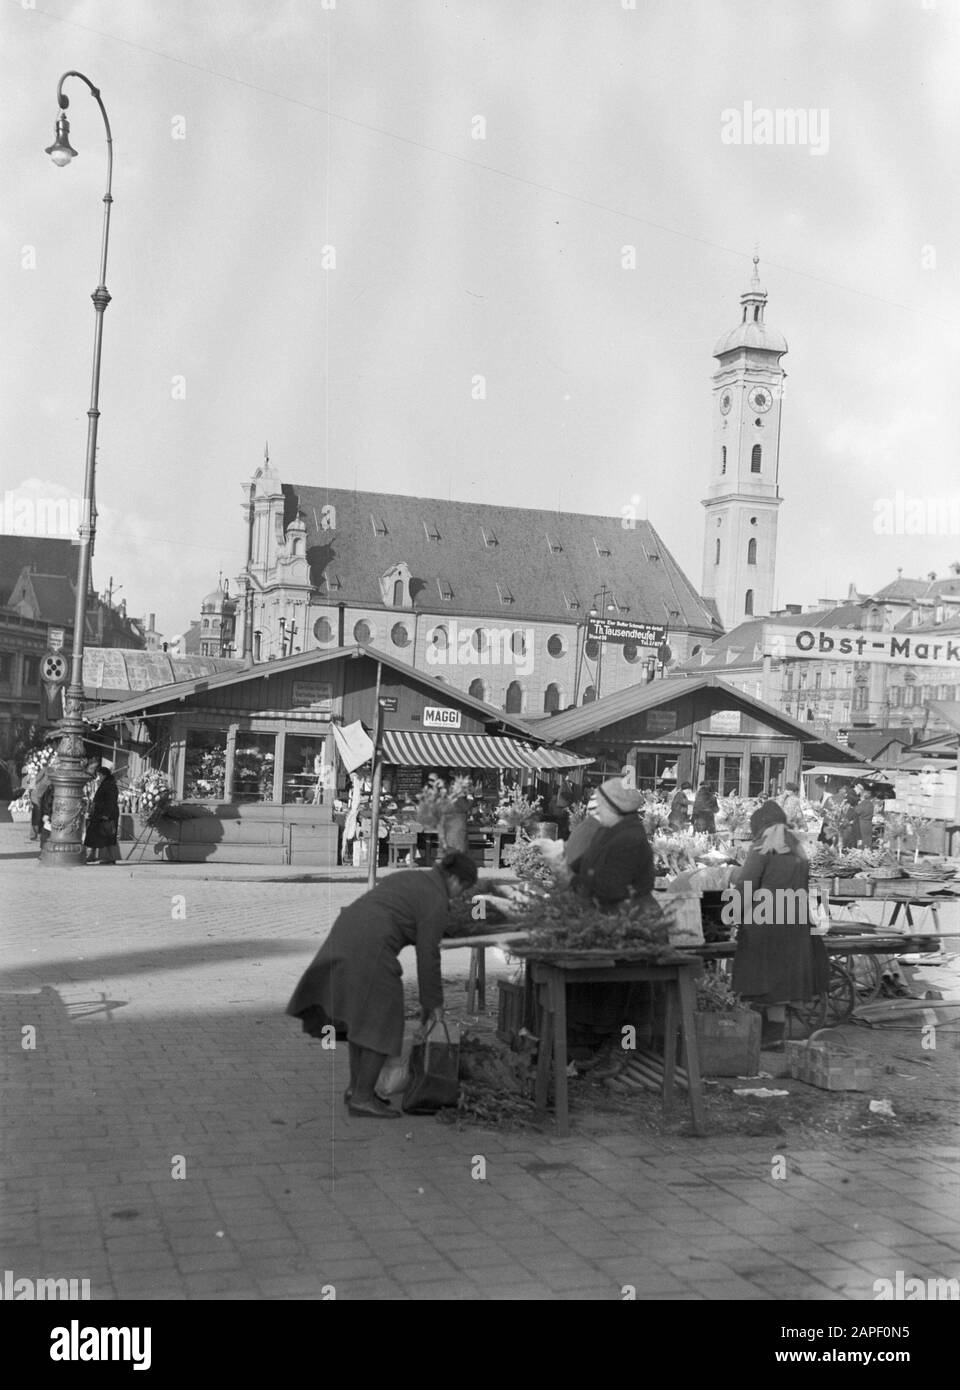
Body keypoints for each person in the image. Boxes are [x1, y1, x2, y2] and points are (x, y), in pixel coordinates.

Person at [286, 851, 478, 1119]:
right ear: (456, 879)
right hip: (370, 946)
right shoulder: (436, 899)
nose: (458, 895)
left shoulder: (413, 877)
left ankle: (356, 1090)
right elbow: (428, 957)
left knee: (361, 1019)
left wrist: (428, 1005)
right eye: (463, 888)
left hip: (347, 933)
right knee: (385, 1019)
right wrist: (433, 1005)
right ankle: (363, 1097)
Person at [565, 778, 659, 1064]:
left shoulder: (630, 838)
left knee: (628, 996)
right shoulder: (609, 832)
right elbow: (586, 866)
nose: (597, 809)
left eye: (601, 804)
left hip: (631, 925)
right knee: (602, 991)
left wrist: (580, 883)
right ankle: (594, 1046)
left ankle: (625, 1049)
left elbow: (610, 887)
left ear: (614, 806)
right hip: (609, 922)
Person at [728, 800, 829, 1048]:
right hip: (794, 921)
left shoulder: (762, 847)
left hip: (765, 923)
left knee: (759, 977)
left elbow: (745, 885)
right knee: (780, 984)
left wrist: (732, 916)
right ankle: (773, 1036)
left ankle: (753, 1033)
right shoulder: (798, 850)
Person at [83, 760, 120, 865]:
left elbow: (111, 801)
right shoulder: (105, 784)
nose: (98, 777)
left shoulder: (110, 785)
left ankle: (111, 858)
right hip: (99, 814)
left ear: (104, 775)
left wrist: (106, 815)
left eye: (100, 775)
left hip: (106, 815)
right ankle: (91, 855)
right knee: (93, 835)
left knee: (108, 836)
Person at [854, 782, 877, 849]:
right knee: (868, 838)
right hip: (869, 823)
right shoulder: (871, 804)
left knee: (862, 839)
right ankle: (868, 851)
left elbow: (857, 811)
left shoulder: (863, 804)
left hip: (862, 823)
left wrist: (856, 806)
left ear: (863, 796)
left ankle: (863, 852)